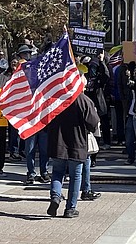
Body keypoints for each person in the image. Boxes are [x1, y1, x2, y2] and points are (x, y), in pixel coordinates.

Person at [46, 82, 100, 218]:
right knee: (75, 176)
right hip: (77, 143)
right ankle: (70, 208)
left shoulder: (55, 98)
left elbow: (46, 120)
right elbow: (94, 123)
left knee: (58, 173)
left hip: (58, 142)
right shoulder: (83, 100)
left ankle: (55, 196)